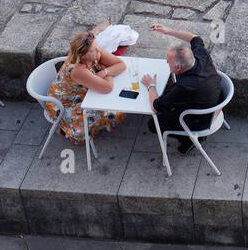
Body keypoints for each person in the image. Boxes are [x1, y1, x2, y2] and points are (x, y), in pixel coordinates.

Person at [141, 23, 222, 155]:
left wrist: (151, 86)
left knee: (153, 124)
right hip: (216, 99)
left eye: (168, 62)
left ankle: (190, 139)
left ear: (178, 68)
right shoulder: (201, 55)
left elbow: (155, 106)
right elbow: (195, 38)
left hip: (200, 119)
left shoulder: (185, 86)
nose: (167, 63)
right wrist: (169, 31)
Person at [43, 30, 128, 145]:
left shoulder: (93, 49)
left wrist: (103, 72)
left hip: (83, 91)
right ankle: (65, 128)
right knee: (115, 110)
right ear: (82, 55)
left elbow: (121, 65)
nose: (98, 50)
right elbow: (107, 88)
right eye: (93, 50)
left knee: (116, 105)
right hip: (66, 103)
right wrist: (107, 72)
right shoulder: (77, 69)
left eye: (97, 46)